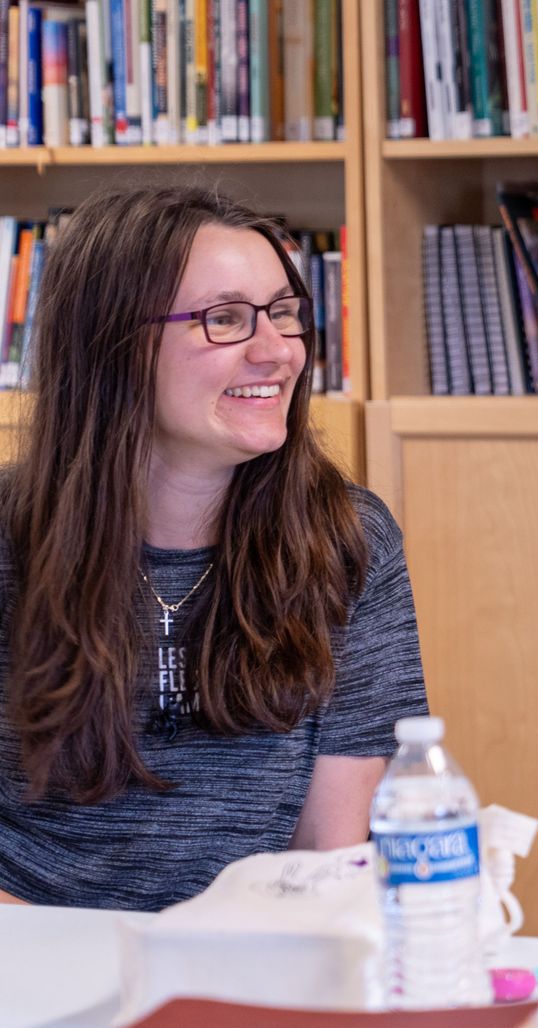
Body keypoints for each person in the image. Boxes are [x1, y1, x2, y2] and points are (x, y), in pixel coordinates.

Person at [0, 186, 428, 910]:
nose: (277, 352)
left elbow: (331, 857)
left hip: (248, 970)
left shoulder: (349, 539)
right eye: (225, 320)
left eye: (284, 314)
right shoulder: (12, 537)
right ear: (114, 344)